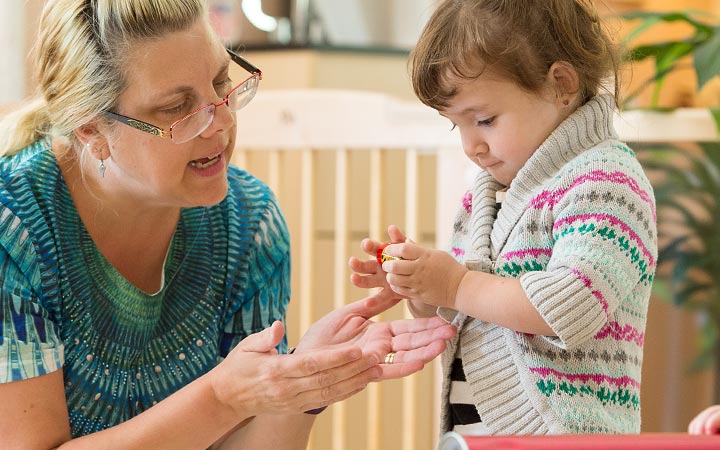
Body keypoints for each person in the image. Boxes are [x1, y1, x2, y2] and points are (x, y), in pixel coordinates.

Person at [0, 1, 457, 449]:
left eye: (222, 83)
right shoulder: (14, 229)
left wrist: (307, 380)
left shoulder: (249, 221)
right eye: (177, 108)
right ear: (91, 129)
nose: (220, 122)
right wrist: (222, 396)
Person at [350, 0, 657, 436]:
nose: (471, 146)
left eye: (484, 120)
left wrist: (456, 283)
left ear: (561, 85)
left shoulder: (606, 181)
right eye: (457, 126)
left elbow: (572, 304)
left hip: (565, 435)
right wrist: (419, 288)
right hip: (478, 431)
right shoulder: (486, 194)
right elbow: (463, 312)